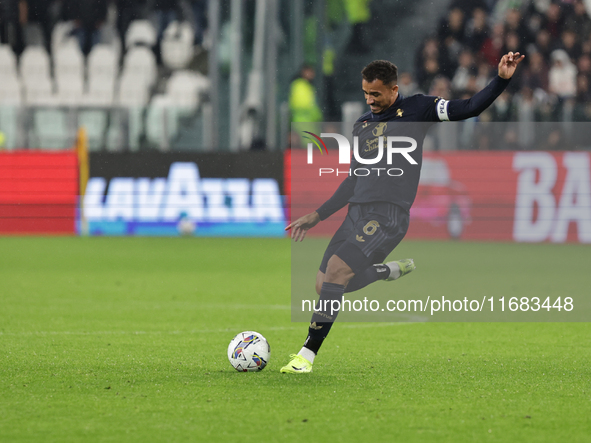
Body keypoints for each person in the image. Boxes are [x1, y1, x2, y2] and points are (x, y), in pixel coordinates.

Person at [280, 51, 525, 374]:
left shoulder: (419, 109)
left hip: (388, 216)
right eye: (366, 93)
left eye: (376, 94)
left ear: (394, 90)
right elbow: (354, 177)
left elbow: (469, 108)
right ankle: (384, 272)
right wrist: (319, 215)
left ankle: (305, 356)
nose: (370, 100)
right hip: (356, 212)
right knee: (323, 283)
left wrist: (501, 80)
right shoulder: (363, 125)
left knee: (338, 270)